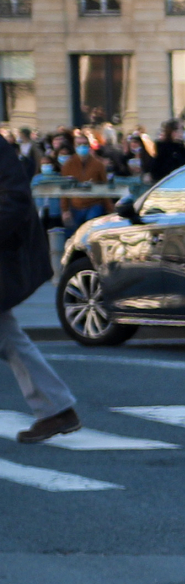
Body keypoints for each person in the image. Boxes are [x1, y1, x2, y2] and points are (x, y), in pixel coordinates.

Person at [0, 132, 77, 442]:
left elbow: (14, 201)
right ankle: (56, 409)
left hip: (6, 256)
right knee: (8, 336)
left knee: (8, 336)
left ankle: (56, 409)